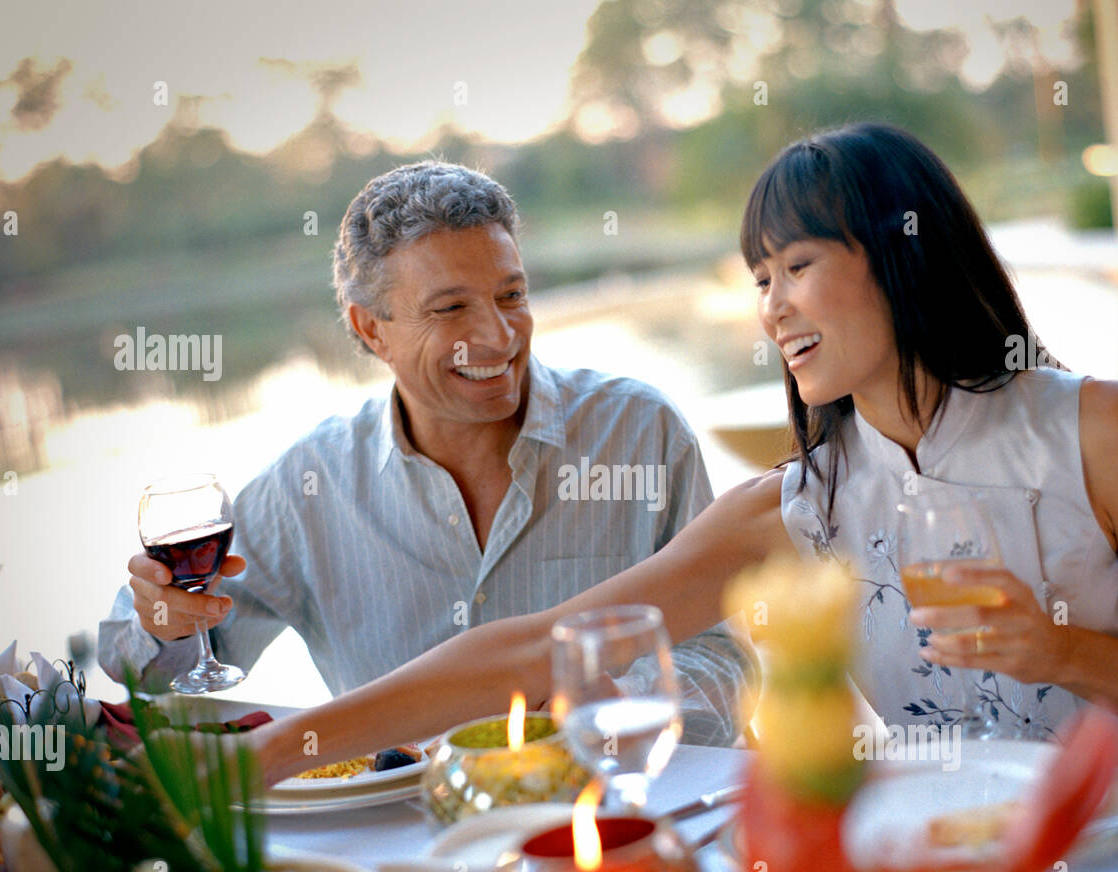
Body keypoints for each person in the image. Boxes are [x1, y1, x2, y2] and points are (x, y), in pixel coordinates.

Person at [246, 123, 1118, 785]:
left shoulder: (1095, 428)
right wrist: (266, 759)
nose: (770, 305)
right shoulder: (799, 504)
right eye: (758, 276)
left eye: (797, 266)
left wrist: (1060, 653)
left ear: (899, 253)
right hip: (947, 865)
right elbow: (536, 648)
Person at [98, 161, 752, 746]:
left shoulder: (640, 432)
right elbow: (154, 673)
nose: (497, 337)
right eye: (450, 309)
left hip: (614, 810)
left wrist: (620, 707)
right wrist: (166, 623)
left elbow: (726, 659)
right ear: (370, 329)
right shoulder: (310, 484)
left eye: (512, 296)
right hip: (404, 837)